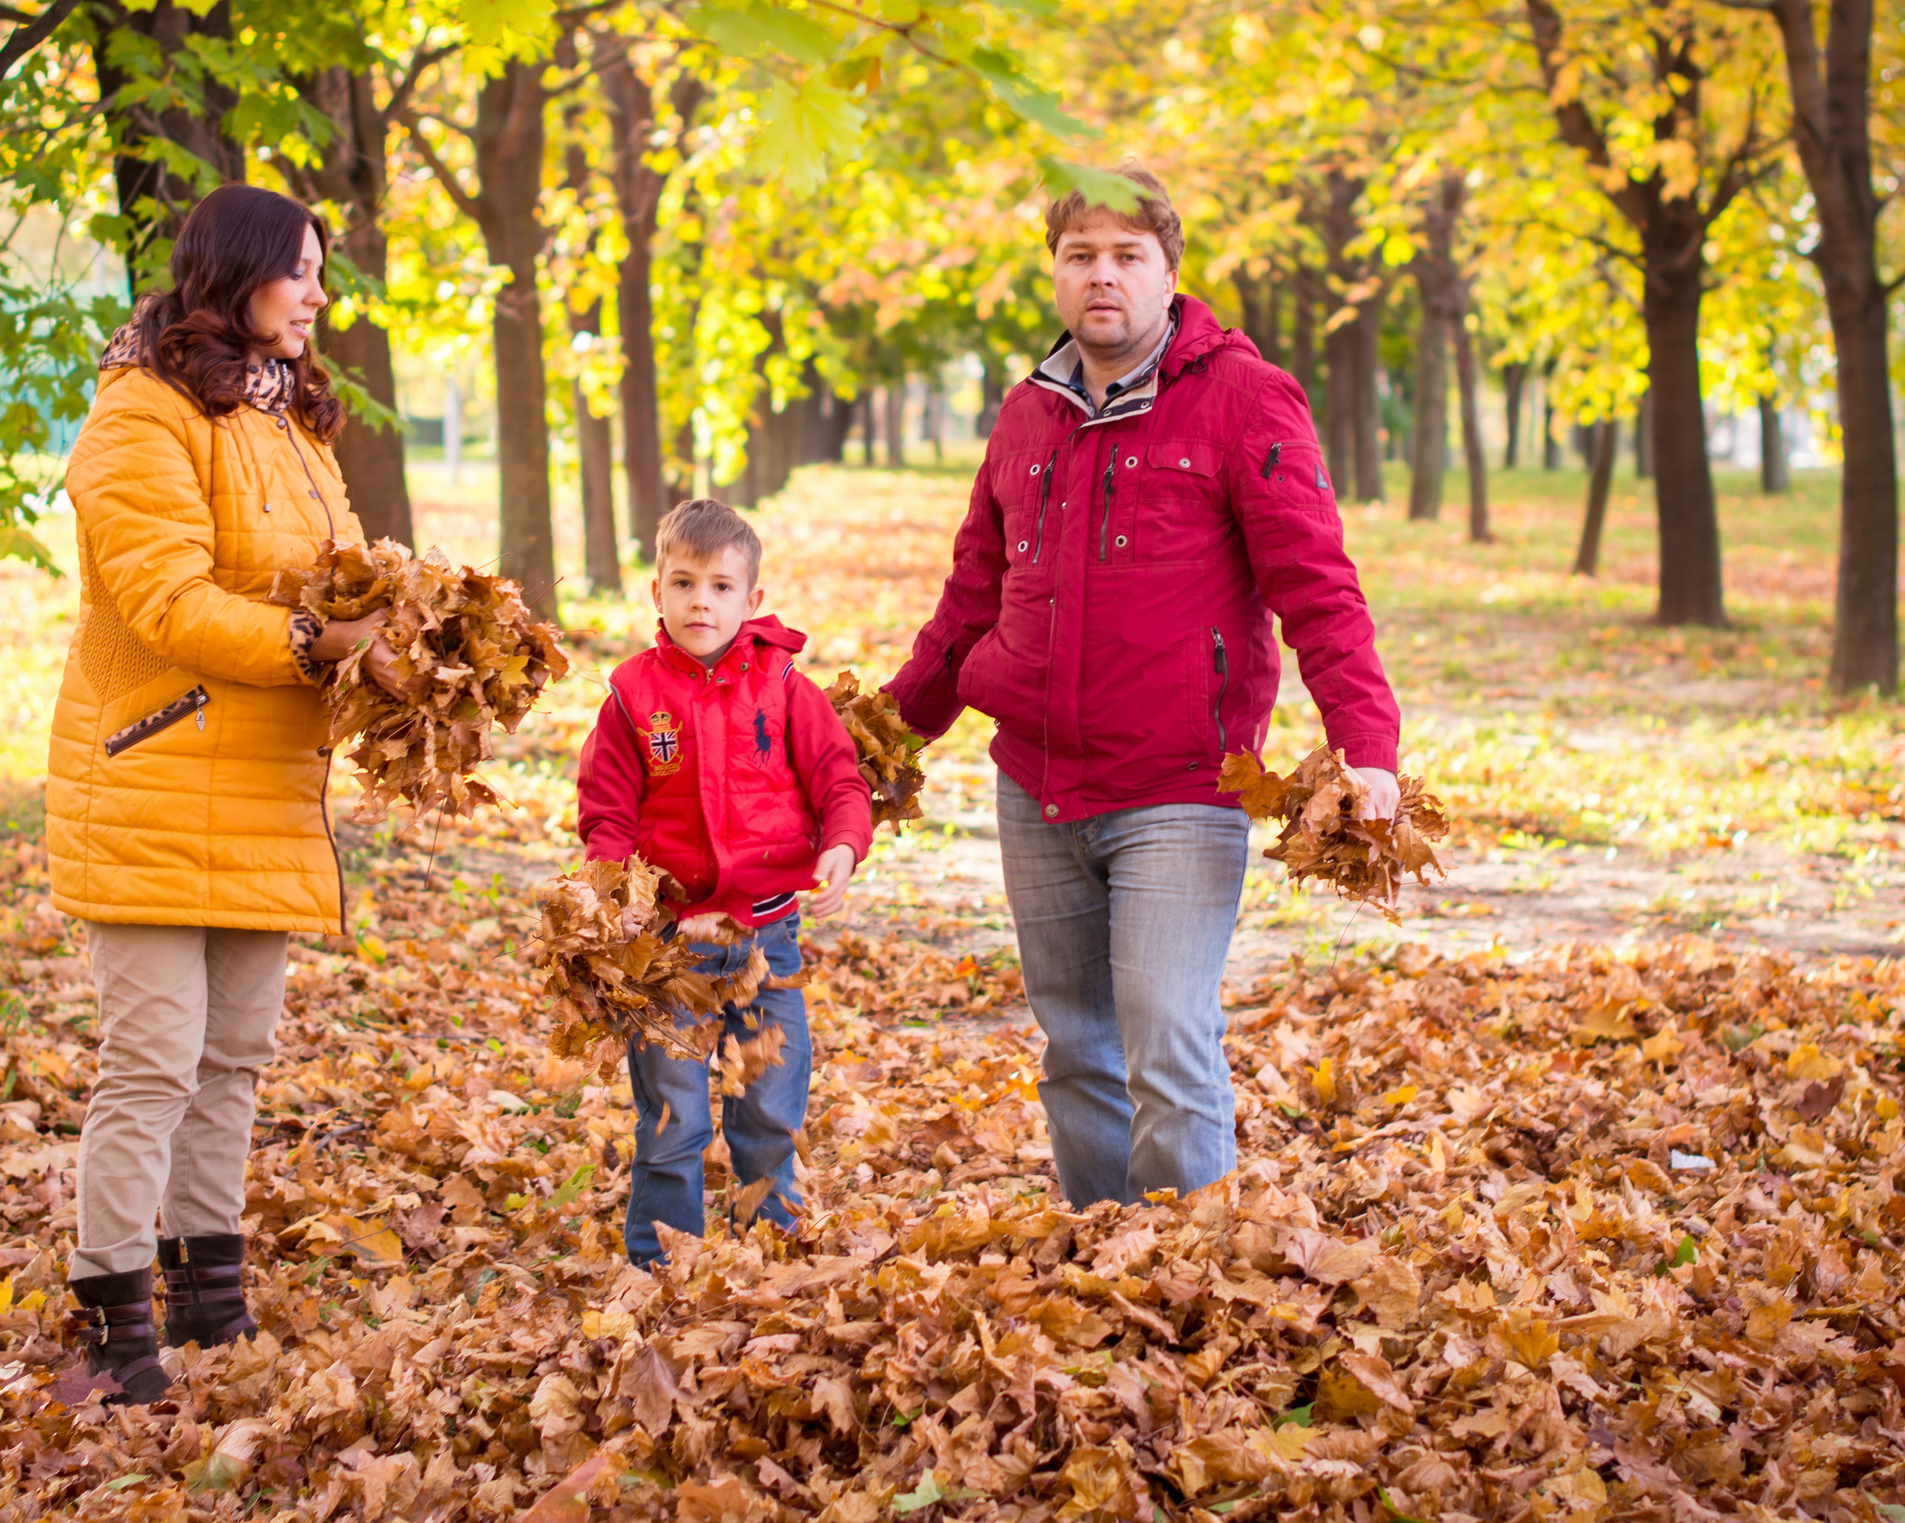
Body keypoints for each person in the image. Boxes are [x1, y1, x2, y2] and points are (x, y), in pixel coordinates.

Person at [887, 165, 1402, 1208]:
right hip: (1034, 783)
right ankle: (1104, 1265)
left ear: (1170, 272)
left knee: (1163, 1039)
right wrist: (880, 740)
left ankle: (1201, 1284)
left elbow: (1318, 588)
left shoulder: (1245, 401)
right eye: (1080, 256)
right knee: (1077, 1048)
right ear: (1055, 275)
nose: (1102, 277)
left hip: (1178, 786)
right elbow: (970, 601)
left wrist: (1368, 747)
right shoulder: (1027, 414)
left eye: (1127, 256)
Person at [44, 183, 408, 1402]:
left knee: (234, 1058)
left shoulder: (293, 427)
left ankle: (210, 1299)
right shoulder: (139, 413)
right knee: (151, 1057)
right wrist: (322, 642)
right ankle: (113, 1325)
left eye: (320, 271)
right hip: (152, 768)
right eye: (298, 271)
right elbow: (168, 601)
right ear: (236, 274)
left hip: (264, 783)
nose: (317, 294)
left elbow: (353, 582)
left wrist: (405, 646)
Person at [575, 499, 875, 1265]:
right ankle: (664, 1258)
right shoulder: (633, 697)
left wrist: (843, 844)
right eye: (683, 583)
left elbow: (839, 780)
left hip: (763, 939)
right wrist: (614, 897)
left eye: (719, 586)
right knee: (672, 1113)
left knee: (768, 1103)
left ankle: (768, 1251)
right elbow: (607, 810)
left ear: (753, 601)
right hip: (668, 943)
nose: (700, 601)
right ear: (657, 594)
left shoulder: (783, 689)